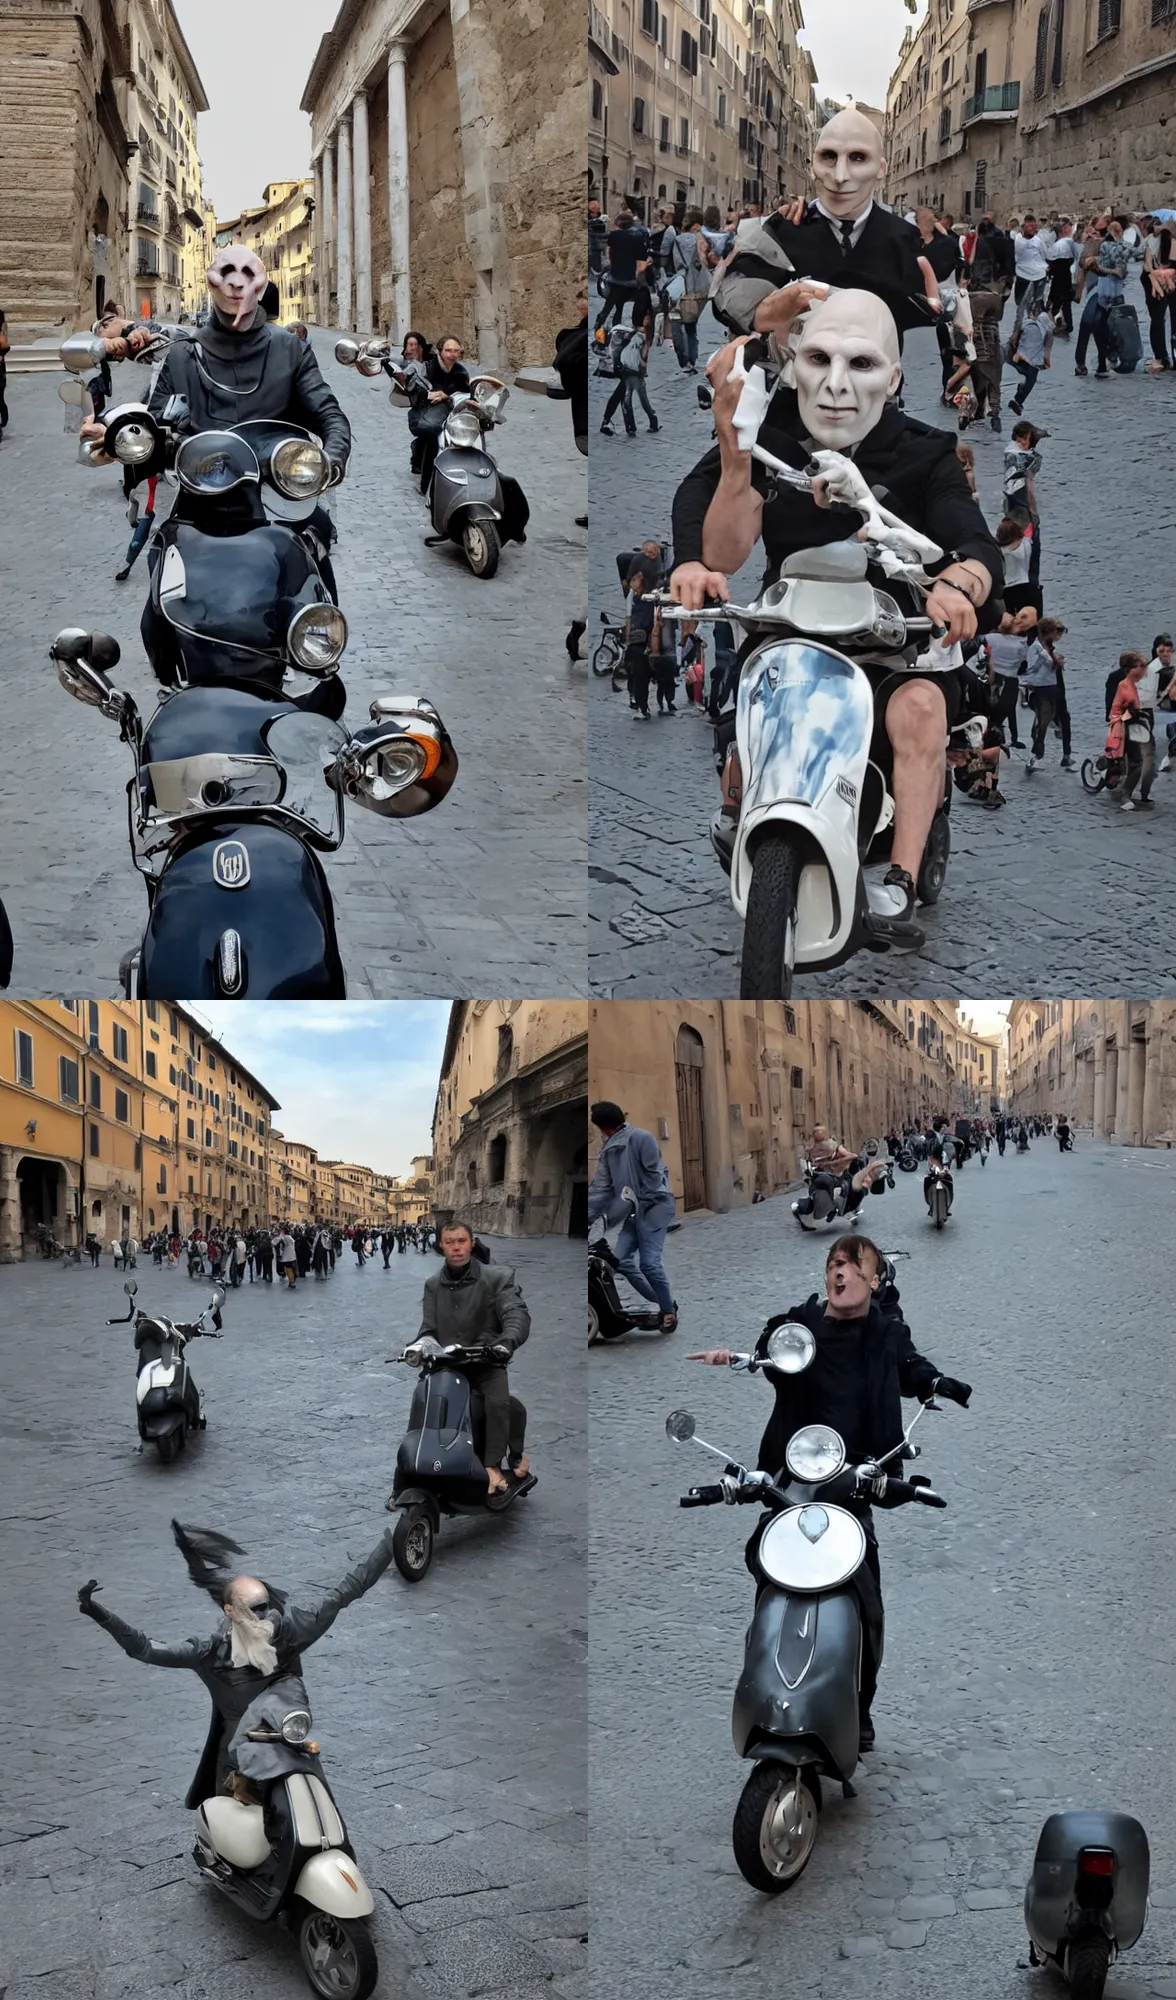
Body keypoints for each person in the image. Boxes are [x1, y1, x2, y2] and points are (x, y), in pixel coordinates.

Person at [670, 288, 1001, 945]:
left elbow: (976, 541)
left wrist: (960, 586)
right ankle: (739, 800)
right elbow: (719, 540)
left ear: (893, 376)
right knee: (752, 692)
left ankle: (900, 882)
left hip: (898, 641)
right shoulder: (773, 436)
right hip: (794, 627)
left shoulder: (926, 451)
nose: (838, 384)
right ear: (798, 364)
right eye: (820, 358)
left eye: (863, 363)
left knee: (921, 711)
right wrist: (699, 547)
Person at [687, 1234, 971, 1750]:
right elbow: (778, 1346)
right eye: (832, 1264)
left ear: (873, 1279)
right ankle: (765, 1688)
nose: (838, 1272)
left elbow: (909, 1365)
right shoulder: (806, 1323)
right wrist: (745, 1355)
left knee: (866, 1599)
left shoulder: (885, 1334)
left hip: (854, 1476)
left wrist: (936, 1383)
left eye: (850, 1265)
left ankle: (857, 1708)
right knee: (771, 1583)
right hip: (794, 1475)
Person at [77, 1520, 395, 1808]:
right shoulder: (207, 1652)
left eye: (264, 1607)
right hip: (237, 1757)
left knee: (317, 1803)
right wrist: (100, 1613)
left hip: (285, 1739)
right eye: (251, 1610)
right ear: (230, 1613)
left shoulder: (289, 1631)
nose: (262, 1617)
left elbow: (346, 1590)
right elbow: (145, 1648)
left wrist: (391, 1543)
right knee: (232, 1822)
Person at [711, 108, 936, 342]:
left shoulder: (904, 236)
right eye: (828, 156)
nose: (839, 176)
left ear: (881, 169)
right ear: (812, 165)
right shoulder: (781, 228)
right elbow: (729, 298)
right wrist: (767, 311)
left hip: (878, 375)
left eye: (858, 157)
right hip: (797, 376)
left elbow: (921, 309)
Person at [419, 1222, 531, 1494]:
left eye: (461, 1241)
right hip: (450, 1364)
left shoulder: (497, 1277)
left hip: (487, 1359)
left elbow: (516, 1314)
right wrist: (421, 1345)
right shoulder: (433, 1284)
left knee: (497, 1403)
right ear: (441, 1246)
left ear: (472, 1242)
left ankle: (492, 1464)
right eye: (449, 1242)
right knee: (426, 1402)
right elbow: (428, 1329)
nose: (456, 1248)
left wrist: (506, 1341)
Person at [588, 1102, 677, 1332]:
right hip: (633, 1210)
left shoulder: (642, 1138)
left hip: (656, 1207)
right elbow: (601, 1190)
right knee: (621, 1261)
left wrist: (634, 1198)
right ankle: (667, 1303)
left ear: (603, 1128)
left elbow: (655, 1176)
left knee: (649, 1264)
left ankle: (668, 1312)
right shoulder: (608, 1152)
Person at [410, 333, 471, 492]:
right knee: (431, 433)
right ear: (440, 351)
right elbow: (415, 389)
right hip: (425, 410)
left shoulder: (460, 371)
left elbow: (464, 388)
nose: (452, 354)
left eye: (456, 351)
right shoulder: (428, 367)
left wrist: (445, 394)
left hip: (451, 409)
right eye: (448, 350)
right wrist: (428, 395)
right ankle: (426, 485)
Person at [1074, 221, 1128, 377]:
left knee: (1092, 324)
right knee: (1097, 326)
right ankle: (1098, 363)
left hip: (1109, 293)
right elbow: (1083, 265)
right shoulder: (1091, 244)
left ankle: (1091, 363)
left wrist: (1098, 263)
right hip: (1095, 291)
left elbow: (1120, 271)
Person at [668, 213, 714, 374]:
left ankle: (684, 360)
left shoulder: (678, 240)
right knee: (691, 326)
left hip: (682, 285)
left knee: (677, 324)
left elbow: (676, 263)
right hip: (701, 286)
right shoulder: (702, 241)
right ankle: (692, 359)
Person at [1106, 653, 1151, 811]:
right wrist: (1132, 712)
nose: (1143, 671)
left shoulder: (1136, 684)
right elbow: (1120, 708)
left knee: (1131, 760)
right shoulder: (1125, 685)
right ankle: (1125, 794)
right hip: (1124, 727)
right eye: (1140, 667)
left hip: (1133, 726)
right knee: (1137, 762)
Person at [1023, 618, 1068, 771]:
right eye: (1057, 633)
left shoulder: (1047, 647)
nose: (1058, 637)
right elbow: (1032, 669)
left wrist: (1055, 658)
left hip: (1052, 687)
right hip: (1042, 688)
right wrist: (1049, 659)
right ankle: (1035, 757)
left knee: (1051, 718)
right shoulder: (1036, 647)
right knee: (1043, 723)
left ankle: (1059, 748)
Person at [596, 209, 650, 332]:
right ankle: (623, 326)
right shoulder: (639, 238)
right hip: (631, 279)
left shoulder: (614, 236)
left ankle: (600, 325)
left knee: (610, 304)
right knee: (623, 304)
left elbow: (609, 248)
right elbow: (642, 262)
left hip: (615, 277)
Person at [1009, 301, 1054, 413]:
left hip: (1018, 351)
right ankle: (1018, 400)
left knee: (1028, 375)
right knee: (1031, 377)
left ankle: (1018, 396)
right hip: (1030, 356)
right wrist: (1047, 357)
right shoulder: (1043, 317)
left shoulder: (1026, 319)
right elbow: (1049, 335)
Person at [1010, 218, 1050, 344]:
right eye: (1029, 227)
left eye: (1034, 227)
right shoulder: (1017, 239)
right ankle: (1019, 332)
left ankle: (1034, 332)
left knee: (1035, 305)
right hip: (1022, 274)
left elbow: (1045, 255)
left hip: (1038, 275)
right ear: (1023, 227)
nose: (1032, 229)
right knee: (1020, 304)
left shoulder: (1038, 241)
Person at [1045, 219, 1081, 335]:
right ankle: (1068, 324)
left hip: (1058, 276)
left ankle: (1057, 323)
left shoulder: (1059, 245)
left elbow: (1051, 261)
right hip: (1068, 276)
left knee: (1055, 301)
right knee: (1066, 302)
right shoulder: (1071, 243)